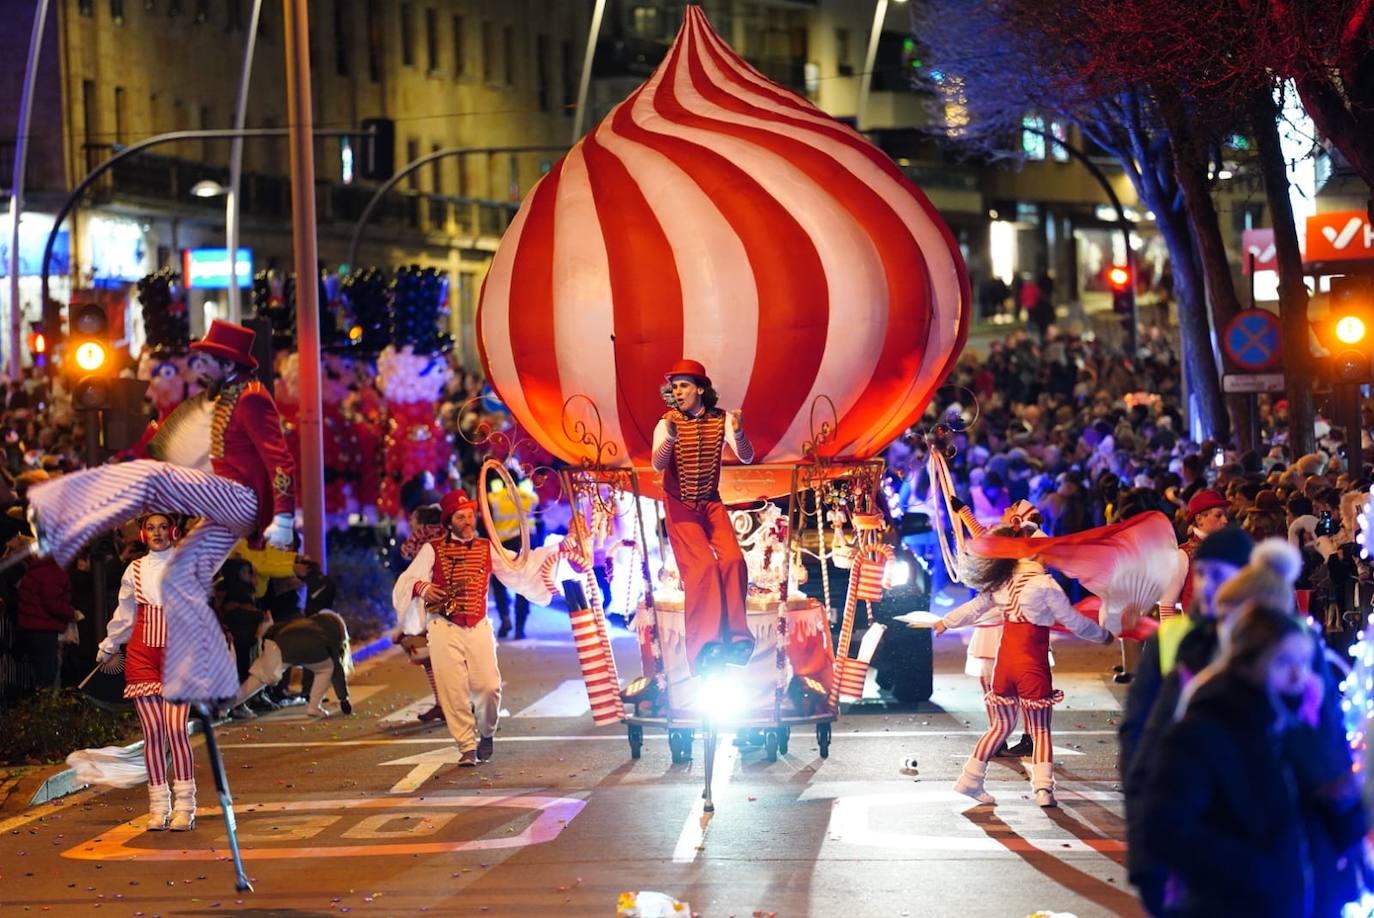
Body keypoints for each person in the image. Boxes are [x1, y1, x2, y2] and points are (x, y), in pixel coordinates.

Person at [27, 320, 296, 703]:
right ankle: (211, 686)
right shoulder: (225, 399)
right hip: (228, 504)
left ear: (227, 363)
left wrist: (284, 516)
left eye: (208, 360)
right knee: (179, 577)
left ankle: (56, 509)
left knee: (155, 477)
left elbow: (280, 459)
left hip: (242, 498)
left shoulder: (251, 398)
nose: (200, 368)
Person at [1141, 603, 1318, 916]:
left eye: (1304, 663)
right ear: (1244, 662)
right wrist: (1256, 871)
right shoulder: (1202, 731)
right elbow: (1164, 828)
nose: (1298, 676)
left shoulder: (1288, 726)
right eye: (1283, 662)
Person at [1119, 525, 1253, 915]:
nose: (1209, 585)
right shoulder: (1171, 638)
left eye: (1221, 575)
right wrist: (1144, 844)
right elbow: (1137, 739)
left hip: (1256, 840)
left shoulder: (1279, 640)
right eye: (1203, 574)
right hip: (1185, 828)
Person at [937, 524, 1115, 807]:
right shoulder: (1044, 585)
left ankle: (969, 780)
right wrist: (1102, 635)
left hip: (1004, 663)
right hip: (1032, 662)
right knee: (1041, 729)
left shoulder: (1003, 582)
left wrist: (944, 622)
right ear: (1035, 554)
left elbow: (974, 609)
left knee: (1001, 726)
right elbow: (1073, 621)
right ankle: (1043, 788)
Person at [392, 490, 557, 767]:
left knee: (489, 686)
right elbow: (407, 581)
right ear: (449, 521)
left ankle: (487, 731)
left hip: (478, 624)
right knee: (453, 688)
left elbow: (517, 565)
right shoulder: (432, 548)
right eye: (461, 517)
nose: (468, 521)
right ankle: (467, 746)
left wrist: (559, 553)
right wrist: (423, 587)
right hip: (443, 626)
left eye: (470, 515)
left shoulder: (486, 546)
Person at [650, 359, 755, 673]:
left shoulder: (720, 419)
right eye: (675, 386)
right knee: (704, 569)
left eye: (684, 385)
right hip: (680, 505)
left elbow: (747, 458)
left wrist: (738, 432)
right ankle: (705, 647)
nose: (678, 391)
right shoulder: (666, 421)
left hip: (710, 503)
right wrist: (669, 436)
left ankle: (736, 639)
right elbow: (657, 465)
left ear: (699, 388)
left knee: (734, 561)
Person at [95, 513, 198, 831]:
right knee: (152, 734)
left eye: (163, 527)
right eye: (151, 528)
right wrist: (110, 644)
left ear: (174, 531)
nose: (157, 533)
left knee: (176, 730)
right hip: (142, 656)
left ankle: (186, 806)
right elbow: (125, 613)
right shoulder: (134, 569)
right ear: (142, 533)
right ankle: (158, 806)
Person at [226, 610, 353, 718]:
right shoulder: (329, 634)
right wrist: (343, 699)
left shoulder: (305, 624)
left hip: (278, 645)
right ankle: (314, 706)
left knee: (258, 679)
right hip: (308, 651)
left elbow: (275, 629)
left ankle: (226, 707)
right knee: (327, 668)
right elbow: (337, 670)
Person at [487, 475, 537, 639]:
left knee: (500, 585)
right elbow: (536, 514)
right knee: (523, 587)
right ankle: (520, 627)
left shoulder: (493, 497)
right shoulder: (527, 497)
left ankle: (505, 618)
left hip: (501, 547)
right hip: (522, 546)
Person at [1177, 490, 1230, 613]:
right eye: (1218, 515)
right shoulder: (1184, 554)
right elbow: (1167, 603)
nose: (1225, 521)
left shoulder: (1227, 548)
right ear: (1199, 519)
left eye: (1226, 516)